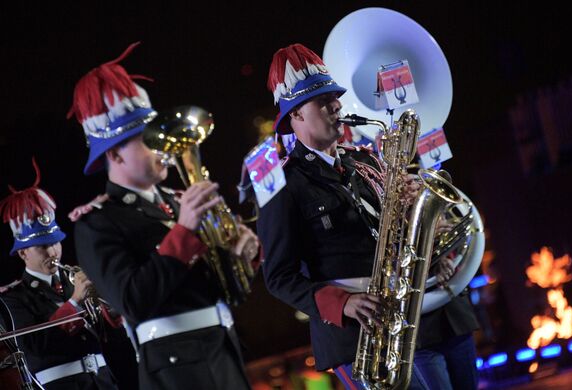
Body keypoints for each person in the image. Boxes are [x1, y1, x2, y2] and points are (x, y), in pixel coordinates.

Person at [68, 42, 259, 389]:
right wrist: (185, 230)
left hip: (224, 353)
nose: (164, 147)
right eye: (147, 140)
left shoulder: (176, 200)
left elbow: (228, 294)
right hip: (175, 372)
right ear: (116, 155)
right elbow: (132, 300)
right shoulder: (96, 223)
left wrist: (239, 256)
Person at [257, 43, 428, 389]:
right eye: (322, 101)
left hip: (396, 318)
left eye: (334, 97)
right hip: (353, 336)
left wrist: (410, 207)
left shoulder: (363, 163)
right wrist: (344, 303)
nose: (336, 105)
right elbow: (278, 277)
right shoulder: (282, 186)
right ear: (296, 115)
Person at [0, 160, 118, 390]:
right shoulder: (12, 298)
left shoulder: (73, 280)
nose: (53, 251)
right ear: (23, 252)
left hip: (103, 383)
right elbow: (34, 346)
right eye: (43, 246)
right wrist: (75, 303)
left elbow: (109, 338)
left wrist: (114, 306)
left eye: (55, 243)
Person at [414, 255, 480, 390]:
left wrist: (447, 254)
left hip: (457, 319)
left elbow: (468, 242)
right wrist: (434, 258)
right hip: (421, 335)